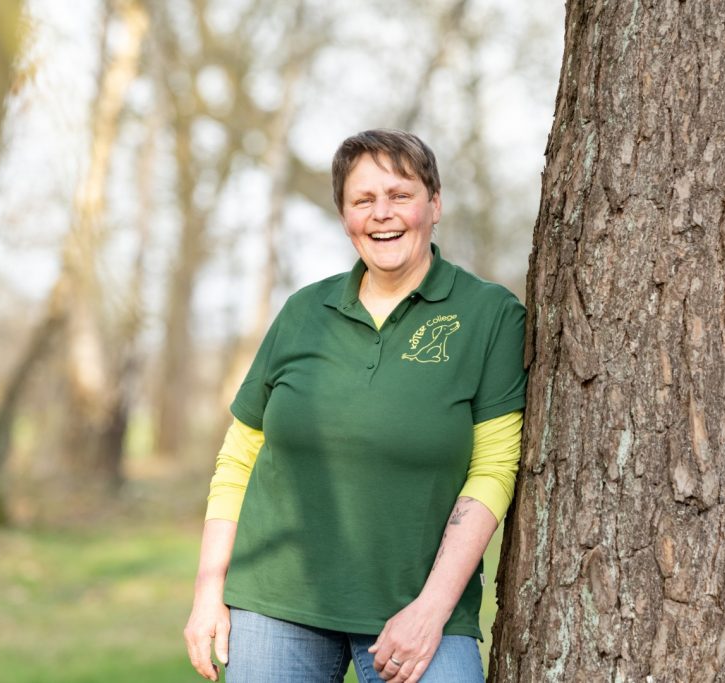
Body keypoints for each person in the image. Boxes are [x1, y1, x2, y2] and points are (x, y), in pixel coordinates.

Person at [184, 129, 526, 683]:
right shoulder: (302, 312)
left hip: (417, 606)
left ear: (434, 204)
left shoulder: (490, 315)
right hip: (277, 602)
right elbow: (239, 458)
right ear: (345, 217)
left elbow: (492, 471)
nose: (381, 214)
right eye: (363, 200)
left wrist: (432, 610)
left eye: (400, 195)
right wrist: (208, 592)